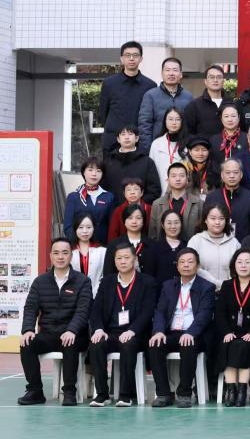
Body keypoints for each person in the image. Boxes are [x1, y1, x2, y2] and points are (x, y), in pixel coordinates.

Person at [17, 239, 93, 405]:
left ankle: (69, 392)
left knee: (69, 342)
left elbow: (83, 310)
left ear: (71, 256)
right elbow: (30, 308)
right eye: (56, 253)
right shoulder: (40, 281)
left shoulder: (82, 281)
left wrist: (72, 330)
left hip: (75, 335)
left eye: (65, 253)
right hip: (49, 334)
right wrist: (28, 329)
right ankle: (35, 391)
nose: (60, 257)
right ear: (50, 255)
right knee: (27, 343)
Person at [85, 245, 157, 407]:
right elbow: (95, 309)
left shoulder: (147, 282)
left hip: (136, 334)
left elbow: (148, 311)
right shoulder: (107, 282)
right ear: (114, 261)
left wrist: (132, 330)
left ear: (135, 260)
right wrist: (98, 329)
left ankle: (125, 395)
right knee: (96, 344)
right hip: (110, 332)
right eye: (119, 258)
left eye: (126, 257)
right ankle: (102, 394)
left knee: (128, 344)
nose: (123, 261)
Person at [147, 248, 216, 408]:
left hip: (195, 334)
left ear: (197, 265)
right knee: (155, 344)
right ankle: (163, 393)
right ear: (177, 266)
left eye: (190, 262)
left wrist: (191, 332)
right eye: (182, 262)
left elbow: (204, 315)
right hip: (172, 332)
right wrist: (158, 331)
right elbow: (160, 311)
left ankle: (184, 393)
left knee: (188, 344)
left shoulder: (207, 287)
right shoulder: (168, 286)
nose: (186, 265)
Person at [215, 248, 250, 407]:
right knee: (228, 344)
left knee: (244, 345)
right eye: (239, 262)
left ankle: (242, 389)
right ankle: (232, 389)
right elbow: (220, 313)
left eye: (247, 262)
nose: (243, 265)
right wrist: (226, 332)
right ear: (234, 265)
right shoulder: (227, 285)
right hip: (231, 331)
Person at [99, 42, 157, 153]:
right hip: (112, 141)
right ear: (121, 59)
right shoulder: (109, 83)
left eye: (135, 55)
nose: (131, 58)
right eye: (127, 55)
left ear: (141, 59)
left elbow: (150, 116)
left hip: (139, 142)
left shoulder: (150, 85)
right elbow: (103, 113)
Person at [102, 125, 162, 204]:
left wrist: (137, 204)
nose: (126, 137)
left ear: (137, 138)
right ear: (118, 139)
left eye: (130, 134)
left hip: (139, 209)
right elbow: (103, 188)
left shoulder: (147, 162)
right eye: (123, 134)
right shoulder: (108, 162)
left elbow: (154, 190)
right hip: (113, 208)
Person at [187, 203, 241, 286]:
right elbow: (192, 266)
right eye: (213, 218)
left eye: (221, 218)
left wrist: (227, 285)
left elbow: (240, 268)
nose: (217, 222)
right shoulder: (196, 241)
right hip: (203, 289)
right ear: (205, 220)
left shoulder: (234, 243)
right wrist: (216, 283)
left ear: (226, 221)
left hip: (229, 289)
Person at [204, 159, 250, 241]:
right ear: (222, 175)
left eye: (235, 172)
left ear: (241, 175)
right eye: (228, 172)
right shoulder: (211, 197)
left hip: (243, 245)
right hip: (215, 243)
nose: (232, 176)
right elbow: (205, 224)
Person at [64, 158, 115, 244]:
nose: (94, 174)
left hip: (101, 246)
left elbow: (112, 226)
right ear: (83, 172)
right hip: (79, 245)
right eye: (90, 170)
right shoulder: (74, 197)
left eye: (98, 171)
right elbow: (68, 226)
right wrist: (78, 244)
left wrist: (109, 247)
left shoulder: (108, 197)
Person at [148, 163, 203, 238]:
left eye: (182, 175)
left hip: (190, 244)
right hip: (164, 245)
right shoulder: (157, 204)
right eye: (174, 176)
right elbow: (152, 234)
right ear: (168, 180)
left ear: (187, 180)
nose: (178, 179)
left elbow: (202, 231)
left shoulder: (198, 203)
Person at [184, 65, 232, 139]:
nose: (215, 80)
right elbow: (188, 134)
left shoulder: (232, 104)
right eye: (211, 77)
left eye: (219, 77)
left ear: (223, 81)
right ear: (205, 81)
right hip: (203, 146)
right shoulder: (194, 106)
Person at [149, 107, 188, 192]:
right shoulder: (156, 144)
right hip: (161, 191)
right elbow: (151, 172)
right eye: (170, 119)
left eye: (177, 119)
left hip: (184, 192)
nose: (174, 123)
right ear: (165, 121)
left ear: (182, 122)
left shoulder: (188, 144)